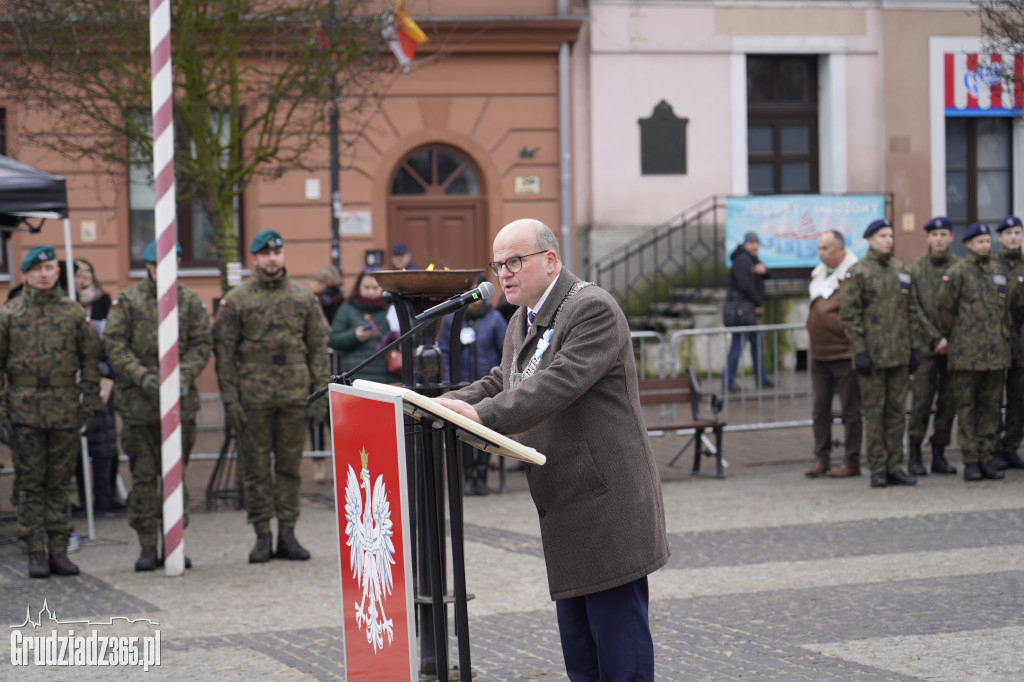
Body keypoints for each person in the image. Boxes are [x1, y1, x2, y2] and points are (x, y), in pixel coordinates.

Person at [436, 219, 669, 681]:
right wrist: (445, 403)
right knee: (580, 652)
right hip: (564, 497)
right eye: (499, 263)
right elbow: (504, 380)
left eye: (516, 260)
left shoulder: (591, 309)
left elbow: (556, 383)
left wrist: (483, 416)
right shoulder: (522, 318)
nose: (505, 272)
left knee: (619, 650)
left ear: (551, 260)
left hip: (606, 501)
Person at [213, 230, 330, 563]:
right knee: (256, 469)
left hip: (295, 396)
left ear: (283, 256)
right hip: (254, 397)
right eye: (265, 254)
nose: (272, 258)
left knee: (291, 469)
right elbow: (224, 353)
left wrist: (319, 393)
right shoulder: (237, 299)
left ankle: (288, 534)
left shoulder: (303, 298)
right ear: (255, 259)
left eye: (277, 253)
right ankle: (262, 534)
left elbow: (319, 348)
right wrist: (231, 400)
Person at [104, 241, 212, 571]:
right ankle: (147, 544)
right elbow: (115, 344)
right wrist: (143, 377)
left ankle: (174, 541)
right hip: (140, 404)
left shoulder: (189, 300)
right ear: (147, 266)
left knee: (175, 477)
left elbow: (201, 344)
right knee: (144, 476)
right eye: (155, 265)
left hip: (180, 406)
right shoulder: (129, 300)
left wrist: (182, 375)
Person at [0, 245, 102, 578]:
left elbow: (90, 362)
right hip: (23, 409)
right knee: (30, 483)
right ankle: (34, 551)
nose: (43, 275)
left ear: (57, 273)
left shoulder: (73, 313)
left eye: (49, 268)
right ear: (25, 274)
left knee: (60, 482)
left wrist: (90, 403)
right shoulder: (10, 314)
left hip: (63, 409)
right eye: (37, 269)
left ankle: (59, 550)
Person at [840, 218, 920, 489]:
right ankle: (877, 467)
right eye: (883, 236)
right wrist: (859, 351)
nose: (888, 240)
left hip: (898, 354)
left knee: (897, 412)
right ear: (870, 240)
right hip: (872, 358)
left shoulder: (901, 271)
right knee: (875, 413)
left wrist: (914, 348)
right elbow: (850, 317)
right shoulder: (858, 272)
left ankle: (895, 465)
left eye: (890, 236)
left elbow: (911, 310)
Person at [937, 222, 1011, 482]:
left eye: (987, 241)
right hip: (966, 355)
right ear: (967, 244)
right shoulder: (957, 272)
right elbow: (944, 311)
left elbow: (1006, 310)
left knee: (990, 408)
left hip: (995, 354)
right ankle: (970, 460)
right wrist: (960, 337)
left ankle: (987, 457)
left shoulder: (998, 272)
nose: (985, 245)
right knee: (967, 408)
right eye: (979, 241)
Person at [438, 278, 508, 495]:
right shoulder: (453, 319)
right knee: (464, 430)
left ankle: (482, 473)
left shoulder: (495, 318)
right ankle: (468, 475)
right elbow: (445, 351)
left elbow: (504, 351)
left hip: (487, 385)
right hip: (462, 383)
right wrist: (449, 382)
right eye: (471, 291)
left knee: (486, 428)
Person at [804, 230, 862, 478]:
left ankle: (851, 461)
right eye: (819, 248)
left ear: (841, 249)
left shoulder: (855, 273)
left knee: (850, 411)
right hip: (819, 352)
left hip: (844, 352)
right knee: (820, 410)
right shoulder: (819, 273)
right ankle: (822, 458)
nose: (821, 253)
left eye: (826, 248)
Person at [905, 217, 960, 476]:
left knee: (949, 402)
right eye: (934, 234)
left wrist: (950, 339)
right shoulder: (914, 270)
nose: (939, 239)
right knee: (921, 402)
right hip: (926, 348)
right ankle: (915, 454)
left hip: (954, 348)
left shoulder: (961, 267)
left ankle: (939, 453)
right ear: (927, 238)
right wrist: (935, 338)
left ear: (951, 237)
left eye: (943, 234)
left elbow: (967, 308)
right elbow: (912, 308)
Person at [71, 258, 126, 515]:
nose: (84, 278)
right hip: (74, 383)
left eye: (88, 273)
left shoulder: (104, 303)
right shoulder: (67, 305)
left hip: (103, 379)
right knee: (80, 444)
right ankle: (84, 500)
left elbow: (113, 343)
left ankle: (106, 496)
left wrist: (108, 377)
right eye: (78, 274)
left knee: (105, 442)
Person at [993, 215, 1024, 470]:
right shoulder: (992, 266)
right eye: (1009, 233)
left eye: (1017, 232)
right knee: (992, 398)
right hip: (995, 343)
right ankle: (993, 448)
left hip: (1022, 346)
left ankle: (1011, 446)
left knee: (1019, 399)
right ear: (1000, 237)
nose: (1014, 237)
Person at [724, 231, 772, 391]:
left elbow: (766, 273)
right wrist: (757, 302)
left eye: (757, 242)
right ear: (746, 244)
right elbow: (745, 285)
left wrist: (763, 271)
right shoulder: (743, 260)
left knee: (757, 341)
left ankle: (762, 377)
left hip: (746, 310)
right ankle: (729, 381)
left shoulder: (752, 259)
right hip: (742, 311)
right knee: (738, 344)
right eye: (752, 243)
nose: (755, 245)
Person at [329, 269, 393, 384]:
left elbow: (412, 337)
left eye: (375, 288)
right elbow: (333, 339)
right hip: (357, 377)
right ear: (358, 287)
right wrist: (354, 336)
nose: (371, 292)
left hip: (390, 378)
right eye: (366, 287)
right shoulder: (347, 308)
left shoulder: (393, 308)